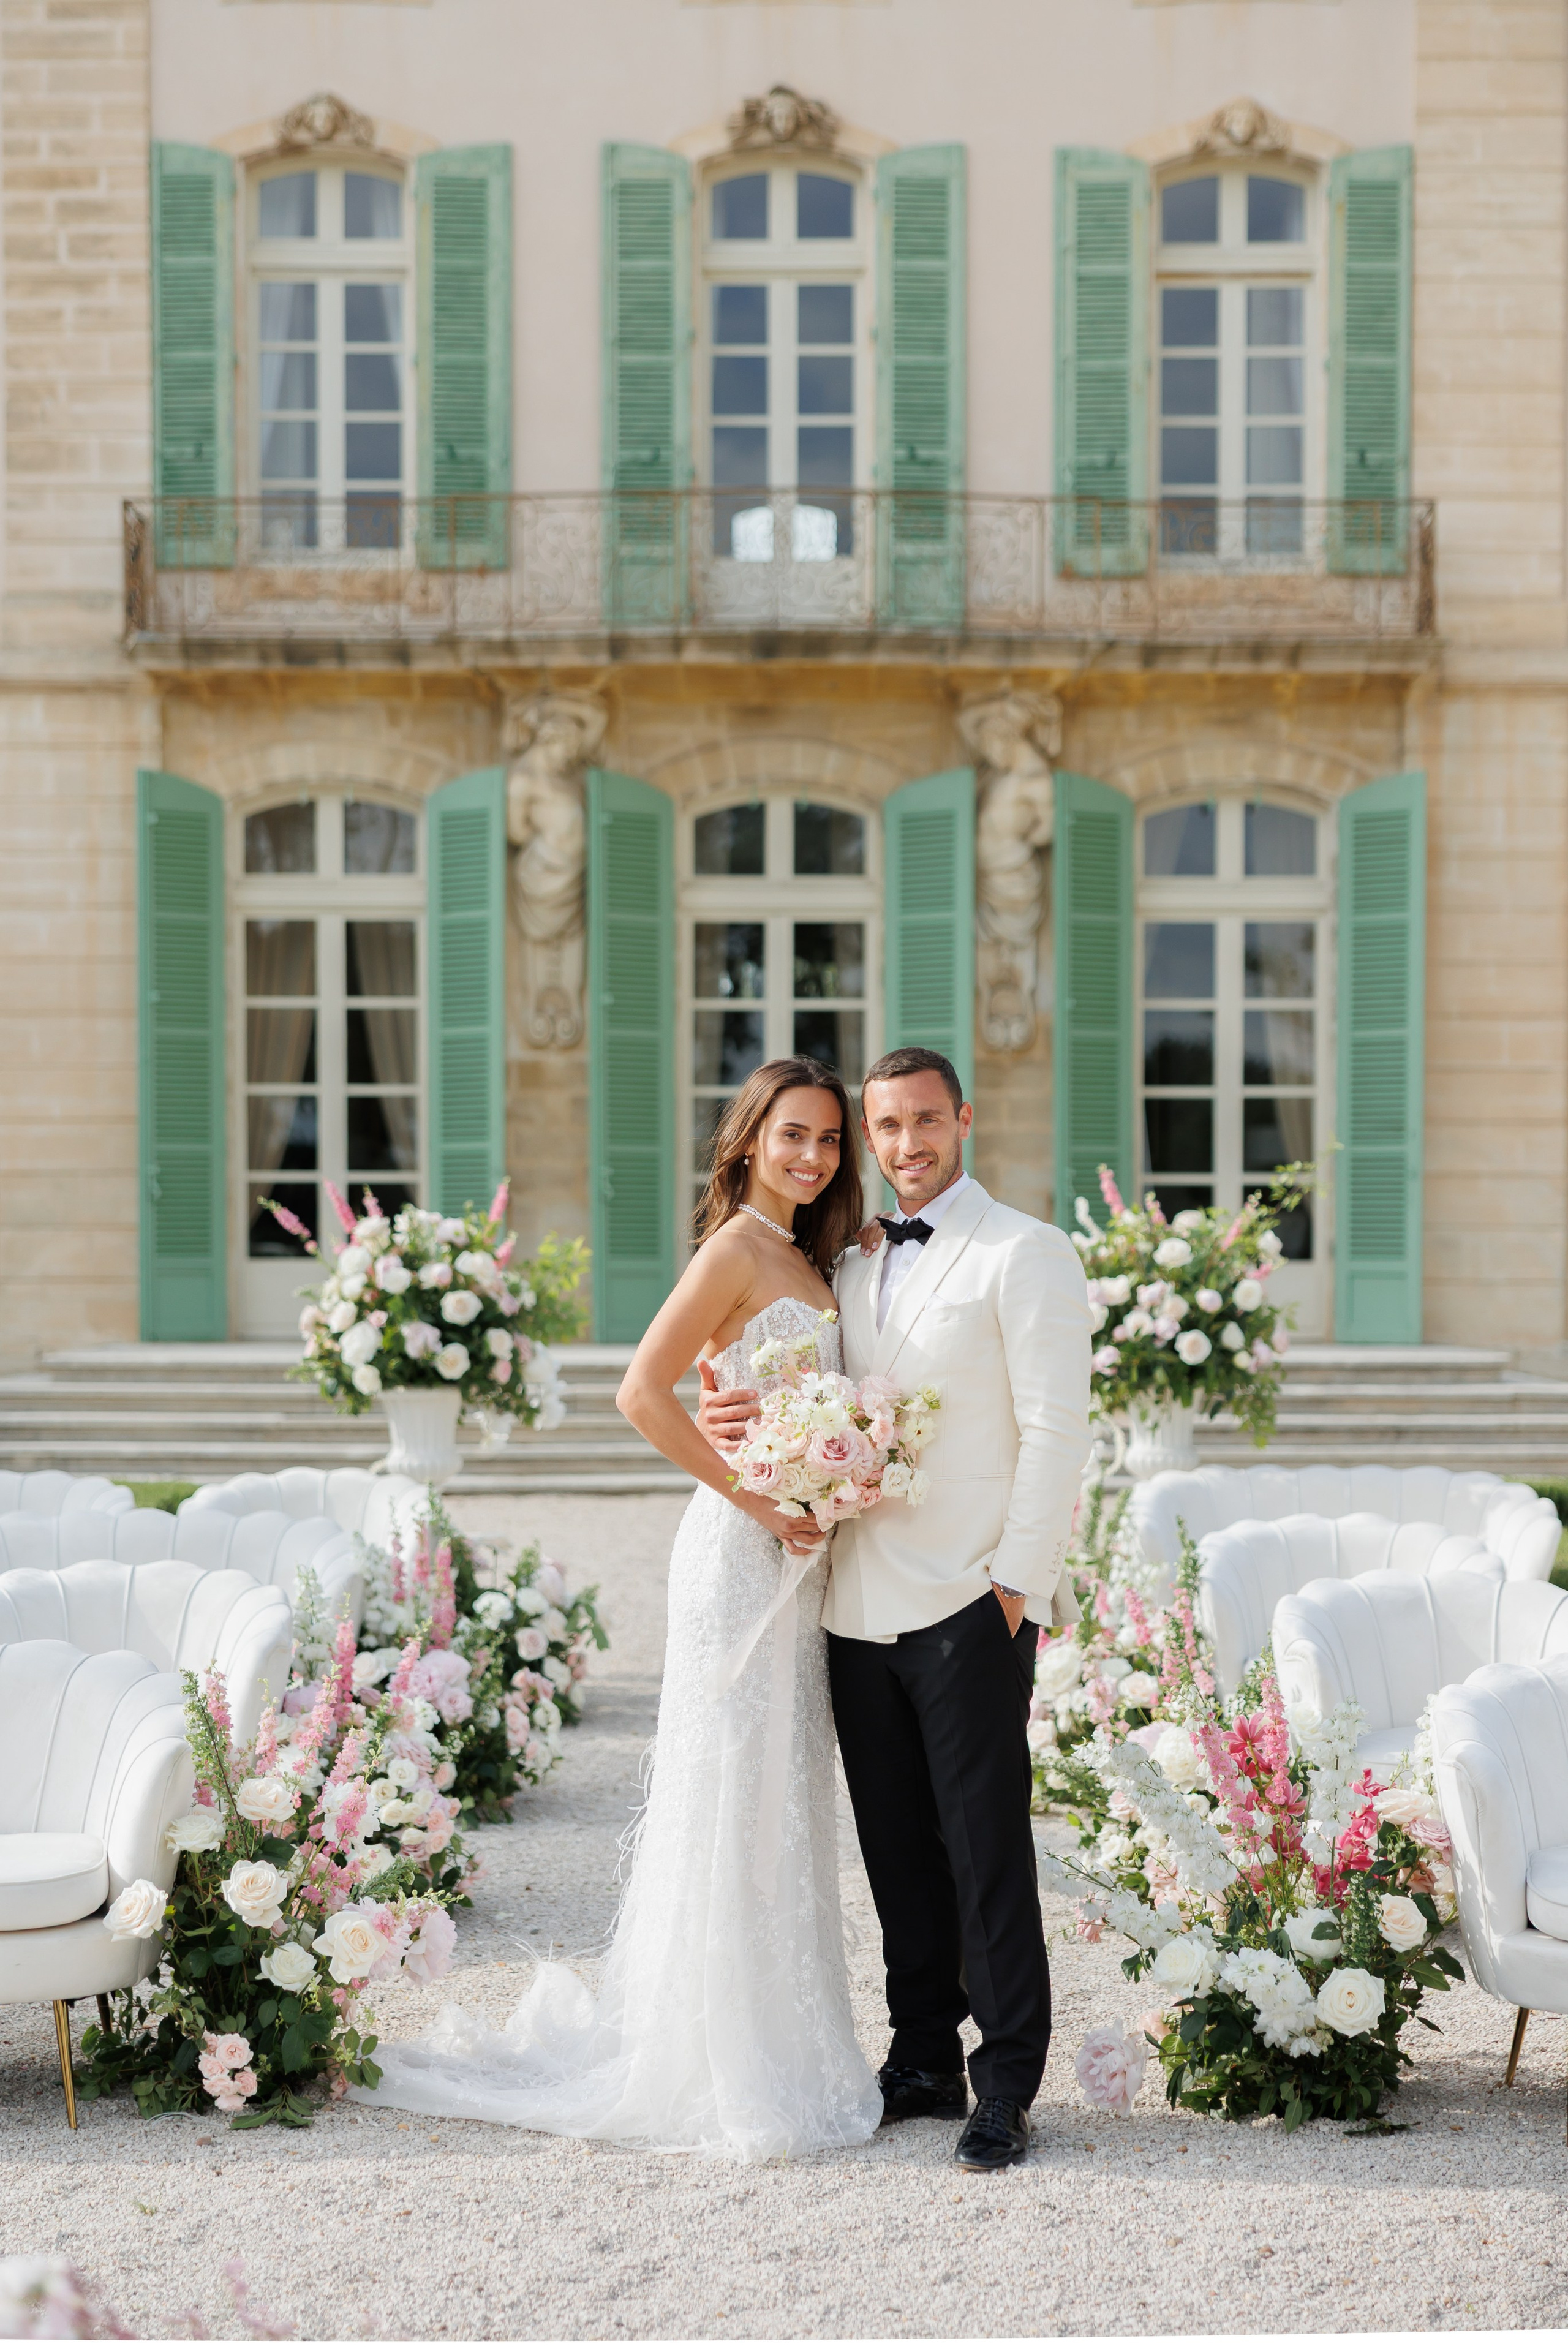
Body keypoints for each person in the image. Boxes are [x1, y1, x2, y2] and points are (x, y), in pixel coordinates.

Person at [350, 1055, 883, 2160]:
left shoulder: (806, 1252)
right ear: (746, 1142)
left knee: (781, 1787)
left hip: (796, 1554)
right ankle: (715, 2055)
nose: (814, 1156)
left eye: (830, 1140)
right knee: (732, 1785)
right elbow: (640, 1389)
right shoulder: (738, 1245)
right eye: (793, 1135)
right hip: (741, 1550)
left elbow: (767, 1378)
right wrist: (752, 1492)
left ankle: (785, 2035)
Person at [698, 1046, 1091, 2171]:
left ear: (963, 1120)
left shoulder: (1027, 1251)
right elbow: (788, 1380)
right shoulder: (849, 1262)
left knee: (985, 1851)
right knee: (894, 1851)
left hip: (972, 1599)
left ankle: (1009, 2078)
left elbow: (1057, 1431)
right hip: (852, 1605)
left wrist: (1017, 1583)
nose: (905, 1145)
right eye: (886, 1128)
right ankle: (923, 2055)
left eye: (925, 1121)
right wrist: (730, 1417)